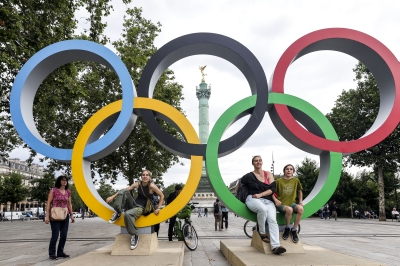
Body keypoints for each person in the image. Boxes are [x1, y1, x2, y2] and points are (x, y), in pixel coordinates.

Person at [106, 170, 164, 250]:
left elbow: (162, 196)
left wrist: (158, 207)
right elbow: (125, 189)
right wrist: (112, 196)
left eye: (147, 175)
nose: (145, 176)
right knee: (124, 191)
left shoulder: (152, 186)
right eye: (143, 175)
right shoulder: (138, 184)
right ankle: (118, 212)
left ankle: (134, 236)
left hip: (142, 208)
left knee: (127, 214)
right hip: (134, 204)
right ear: (141, 176)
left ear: (150, 177)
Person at [240, 155, 286, 255]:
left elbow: (272, 189)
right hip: (252, 199)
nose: (258, 162)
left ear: (262, 162)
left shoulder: (268, 174)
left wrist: (260, 194)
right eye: (256, 161)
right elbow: (240, 184)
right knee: (263, 209)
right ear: (253, 163)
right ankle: (262, 232)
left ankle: (276, 246)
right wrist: (240, 194)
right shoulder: (248, 176)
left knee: (273, 221)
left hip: (268, 200)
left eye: (260, 160)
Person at [45, 175, 75, 260]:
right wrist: (47, 216)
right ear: (59, 181)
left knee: (64, 235)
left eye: (66, 180)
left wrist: (72, 215)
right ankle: (52, 253)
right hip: (55, 214)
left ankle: (60, 252)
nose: (64, 182)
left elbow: (69, 204)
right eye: (63, 180)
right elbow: (48, 203)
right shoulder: (53, 190)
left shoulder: (68, 191)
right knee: (55, 235)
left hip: (65, 214)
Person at [273, 164, 303, 243]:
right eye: (287, 169)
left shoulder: (296, 180)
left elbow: (300, 191)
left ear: (293, 172)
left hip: (292, 203)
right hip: (281, 204)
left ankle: (294, 229)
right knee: (289, 209)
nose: (289, 170)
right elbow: (271, 192)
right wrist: (276, 200)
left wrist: (300, 202)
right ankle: (287, 228)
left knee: (300, 209)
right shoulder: (278, 181)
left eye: (291, 169)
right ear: (284, 171)